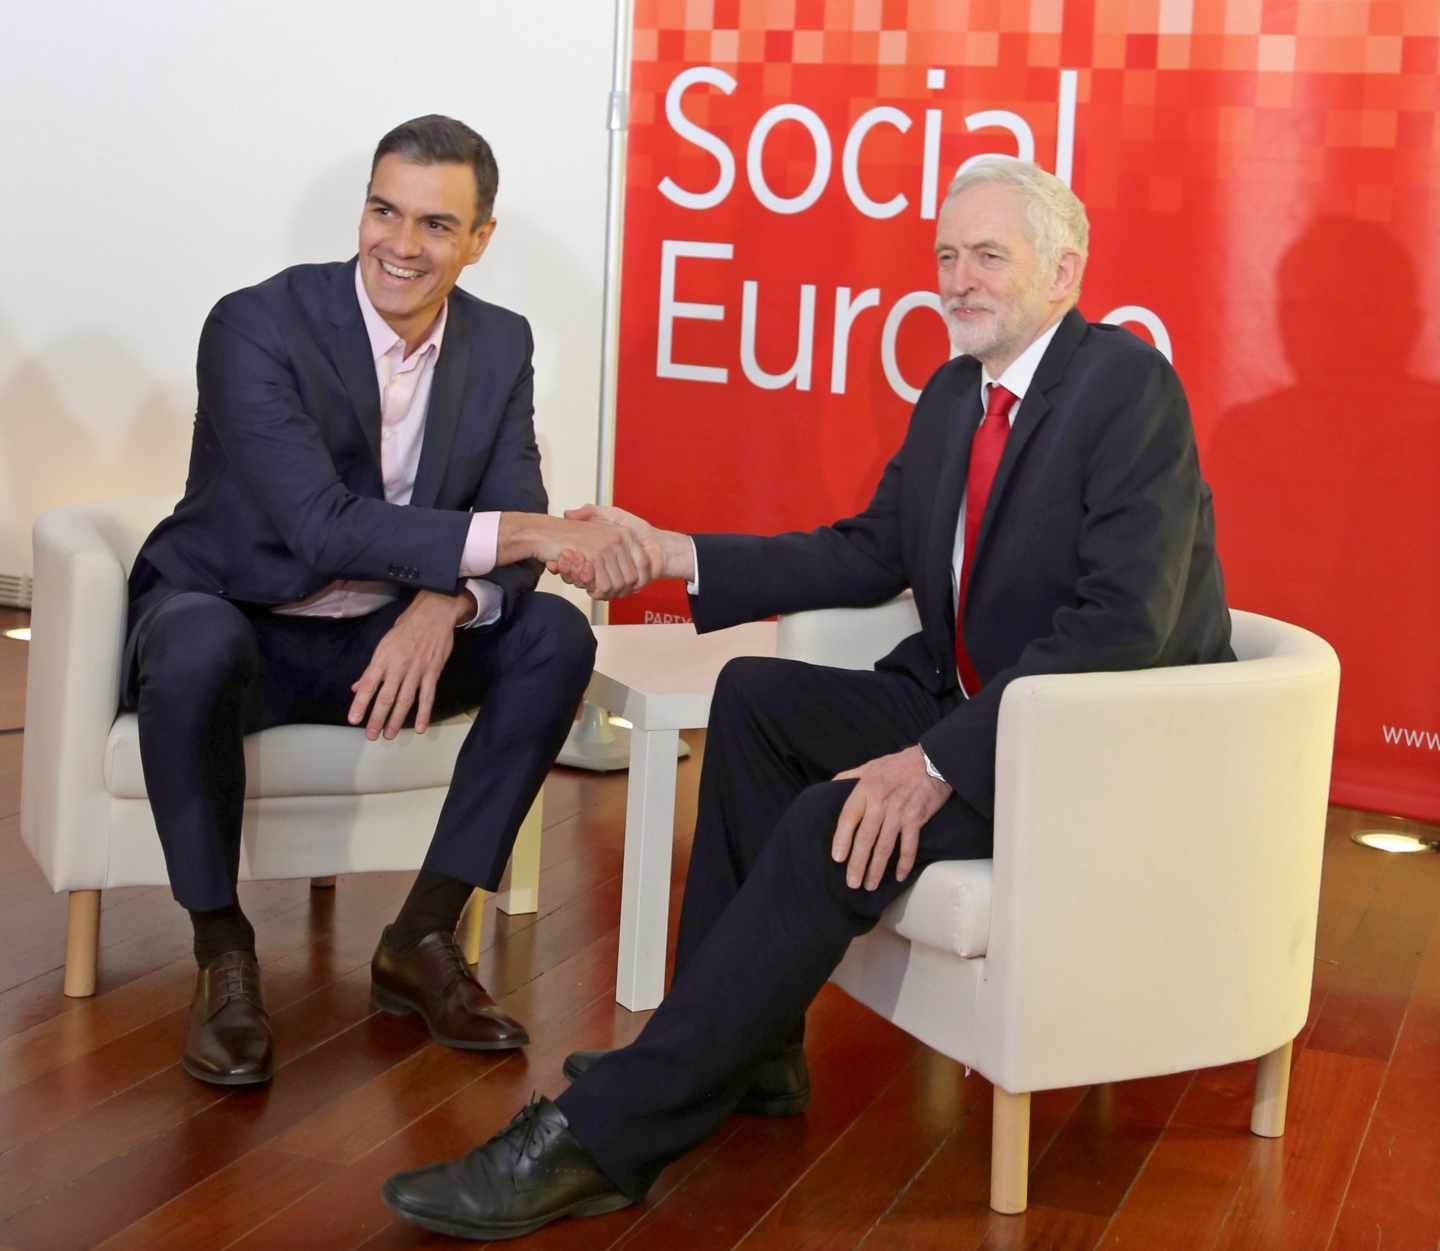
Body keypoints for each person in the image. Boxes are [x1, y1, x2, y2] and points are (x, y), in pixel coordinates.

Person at [381, 157, 1234, 1240]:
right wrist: (672, 557)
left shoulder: (1126, 389)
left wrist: (932, 765)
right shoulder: (951, 395)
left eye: (987, 256)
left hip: (1076, 744)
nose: (956, 280)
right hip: (975, 704)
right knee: (756, 699)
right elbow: (869, 552)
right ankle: (749, 1056)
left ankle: (607, 1134)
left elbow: (1122, 630)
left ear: (1064, 271)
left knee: (835, 819)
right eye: (944, 256)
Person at [124, 114, 653, 1088]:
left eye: (435, 225)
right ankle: (222, 952)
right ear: (364, 208)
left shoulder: (499, 342)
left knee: (551, 634)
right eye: (384, 211)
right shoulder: (255, 325)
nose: (401, 246)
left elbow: (514, 498)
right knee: (190, 641)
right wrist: (532, 537)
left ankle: (421, 936)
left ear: (479, 238)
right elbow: (320, 524)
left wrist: (440, 606)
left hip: (390, 638)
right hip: (245, 621)